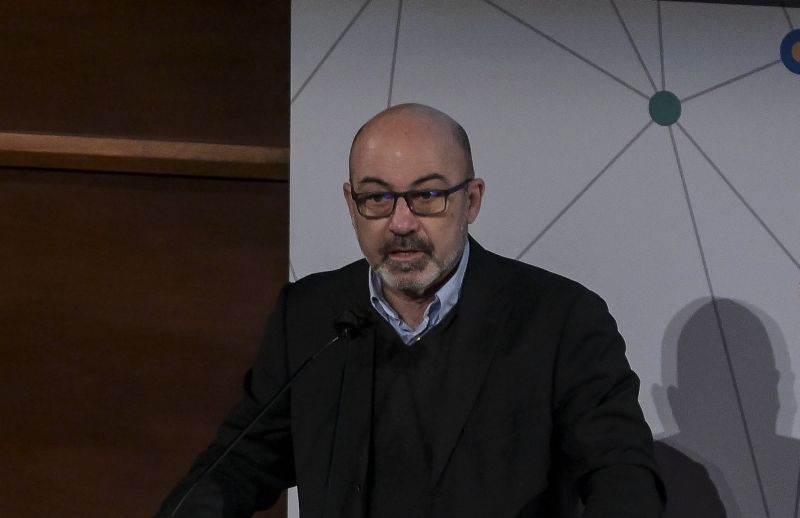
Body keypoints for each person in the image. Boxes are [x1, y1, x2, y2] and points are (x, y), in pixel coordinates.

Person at [158, 103, 665, 517]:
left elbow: (623, 477)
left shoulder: (558, 320)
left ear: (472, 200)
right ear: (351, 203)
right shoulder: (311, 315)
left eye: (427, 195)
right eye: (377, 198)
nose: (401, 223)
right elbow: (237, 464)